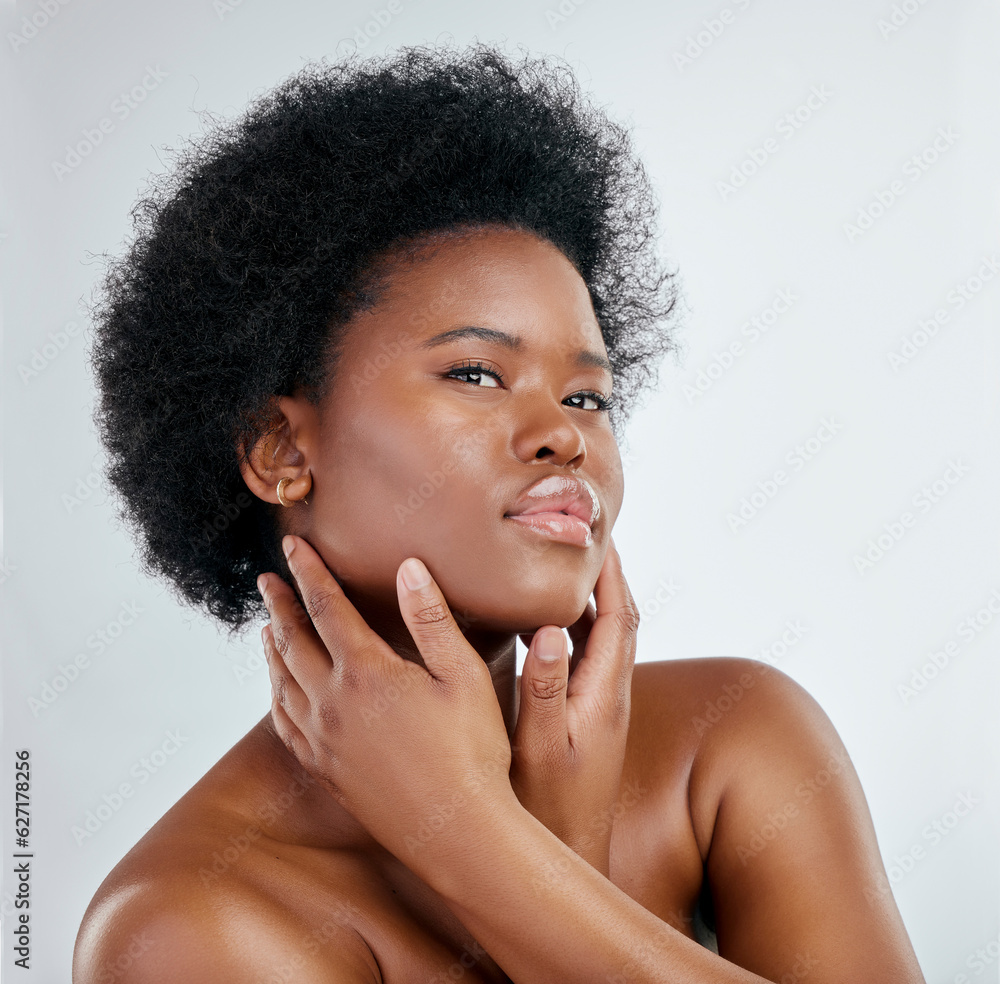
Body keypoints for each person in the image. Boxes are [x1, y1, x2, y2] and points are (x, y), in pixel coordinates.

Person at [72, 40, 926, 983]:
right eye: (476, 373)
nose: (565, 437)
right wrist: (498, 843)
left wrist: (503, 843)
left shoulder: (733, 743)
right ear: (281, 452)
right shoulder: (188, 926)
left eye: (587, 397)